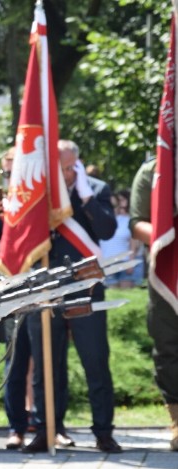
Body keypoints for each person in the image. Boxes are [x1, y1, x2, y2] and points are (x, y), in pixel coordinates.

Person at [23, 140, 121, 453]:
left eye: (69, 168)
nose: (65, 174)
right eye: (60, 168)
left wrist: (86, 196)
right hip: (48, 287)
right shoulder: (41, 194)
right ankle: (48, 428)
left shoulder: (96, 188)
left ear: (77, 164)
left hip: (86, 285)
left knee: (95, 360)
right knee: (47, 363)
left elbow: (106, 230)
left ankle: (103, 431)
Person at [129, 157, 178, 451]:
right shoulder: (151, 170)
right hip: (166, 270)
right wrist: (167, 238)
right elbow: (137, 223)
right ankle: (177, 420)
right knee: (168, 345)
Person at [100, 191, 143, 288]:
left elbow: (133, 244)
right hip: (107, 264)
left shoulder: (127, 220)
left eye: (114, 205)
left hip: (125, 263)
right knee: (113, 297)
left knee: (127, 297)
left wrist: (130, 263)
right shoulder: (99, 223)